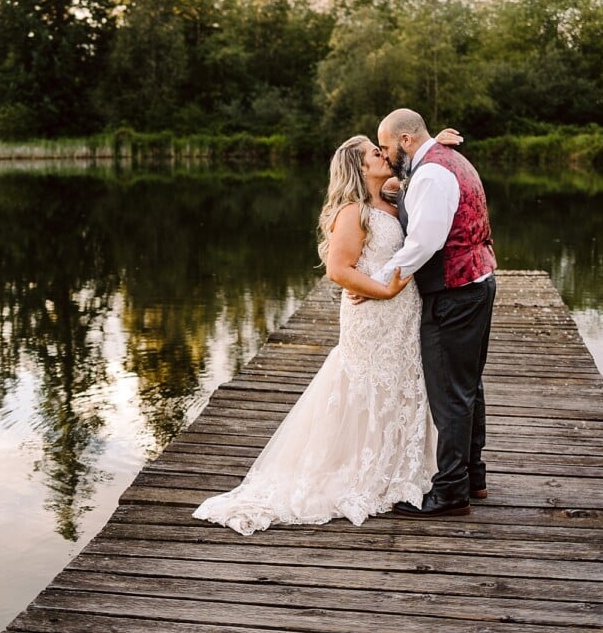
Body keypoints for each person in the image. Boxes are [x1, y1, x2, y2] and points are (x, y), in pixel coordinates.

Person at [192, 131, 460, 535]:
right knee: (370, 386)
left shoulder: (389, 197)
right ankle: (363, 468)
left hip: (403, 314)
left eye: (381, 148)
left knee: (401, 383)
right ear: (359, 166)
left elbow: (416, 163)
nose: (383, 154)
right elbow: (339, 271)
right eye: (375, 152)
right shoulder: (352, 212)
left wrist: (432, 141)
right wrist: (385, 289)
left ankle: (401, 464)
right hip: (374, 313)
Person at [370, 108, 497, 518]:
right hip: (475, 284)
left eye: (388, 147)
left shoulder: (429, 173)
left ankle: (450, 493)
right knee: (467, 386)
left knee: (450, 394)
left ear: (407, 140)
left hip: (454, 294)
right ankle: (473, 477)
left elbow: (425, 242)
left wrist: (381, 279)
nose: (387, 156)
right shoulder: (444, 161)